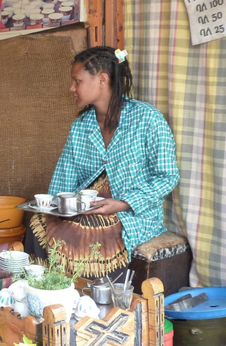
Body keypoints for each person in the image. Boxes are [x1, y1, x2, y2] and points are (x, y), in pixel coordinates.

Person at [26, 46, 180, 278]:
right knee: (38, 221)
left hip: (133, 212)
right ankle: (45, 288)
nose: (71, 88)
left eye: (77, 81)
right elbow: (65, 175)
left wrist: (123, 203)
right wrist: (56, 208)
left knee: (91, 230)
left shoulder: (148, 119)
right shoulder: (81, 126)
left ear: (102, 80)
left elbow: (168, 176)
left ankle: (92, 303)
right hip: (88, 207)